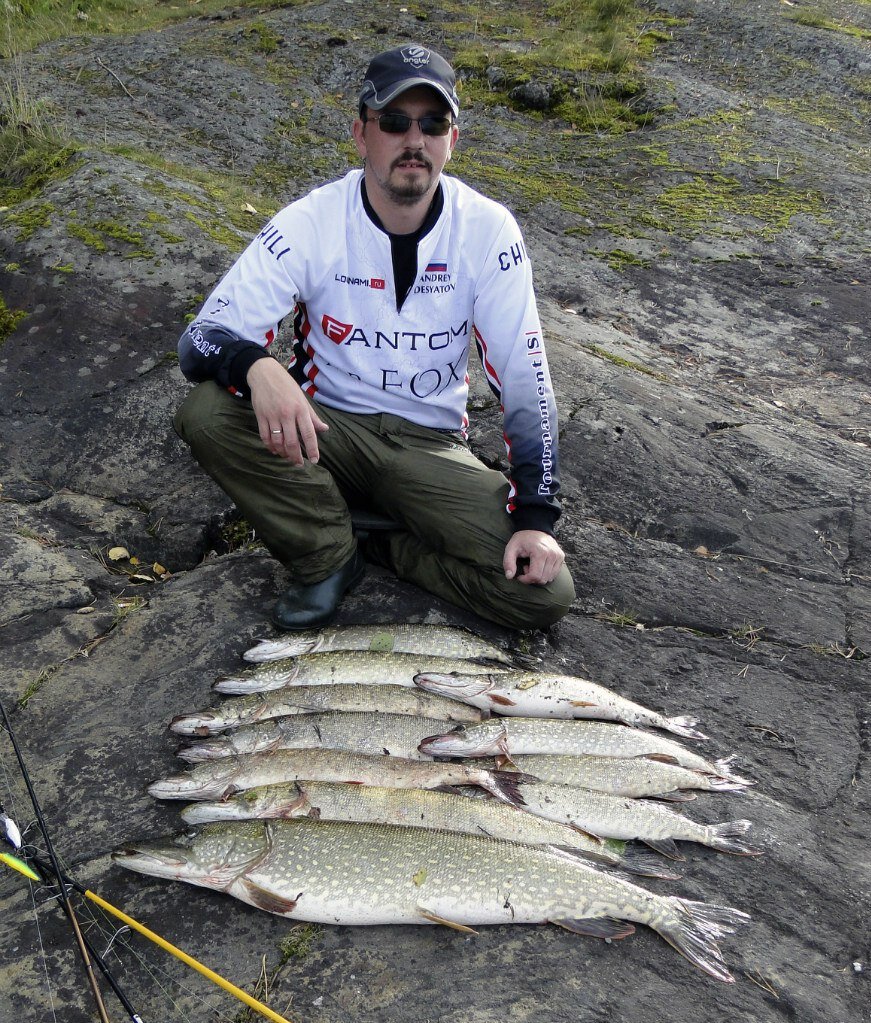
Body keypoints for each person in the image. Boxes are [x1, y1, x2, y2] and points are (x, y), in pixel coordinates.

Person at [173, 43, 575, 632]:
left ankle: (383, 548)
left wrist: (537, 517)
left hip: (429, 445)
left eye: (433, 123)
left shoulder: (489, 231)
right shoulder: (311, 221)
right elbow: (200, 340)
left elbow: (525, 379)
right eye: (394, 122)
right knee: (208, 412)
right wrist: (259, 368)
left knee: (543, 594)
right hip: (327, 430)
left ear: (452, 140)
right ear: (362, 135)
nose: (414, 140)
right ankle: (327, 556)